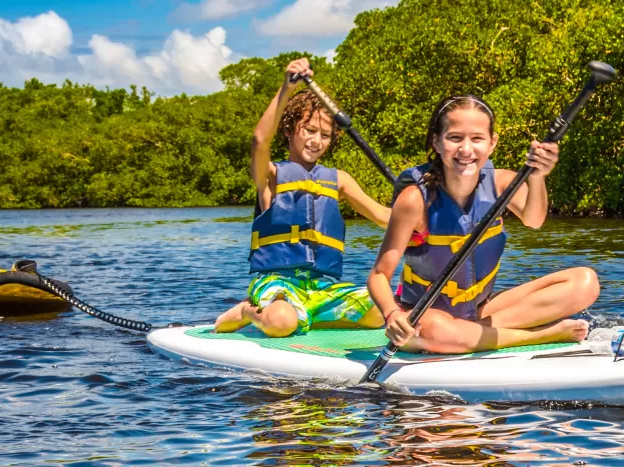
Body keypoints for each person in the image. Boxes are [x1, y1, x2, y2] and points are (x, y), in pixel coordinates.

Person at [367, 95, 599, 354]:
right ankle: (541, 335)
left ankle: (469, 335)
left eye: (477, 138)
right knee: (435, 330)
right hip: (425, 317)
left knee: (585, 282)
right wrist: (392, 315)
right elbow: (378, 275)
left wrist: (537, 177)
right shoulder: (414, 200)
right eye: (455, 138)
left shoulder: (502, 183)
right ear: (437, 142)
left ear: (492, 143)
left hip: (480, 310)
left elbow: (534, 220)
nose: (466, 149)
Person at [215, 58, 389, 337]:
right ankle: (249, 311)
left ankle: (304, 318)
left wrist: (429, 211)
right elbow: (259, 140)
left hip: (321, 288)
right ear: (288, 130)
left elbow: (384, 217)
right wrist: (286, 89)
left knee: (381, 309)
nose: (316, 141)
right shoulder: (271, 176)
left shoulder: (339, 180)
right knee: (281, 322)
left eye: (325, 135)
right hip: (277, 284)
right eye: (309, 130)